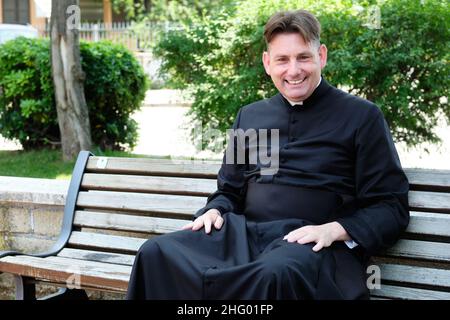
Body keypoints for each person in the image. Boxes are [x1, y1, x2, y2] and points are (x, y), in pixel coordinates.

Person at [126, 9, 409, 300]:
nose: (293, 70)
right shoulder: (250, 117)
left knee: (273, 274)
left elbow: (391, 206)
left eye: (303, 57)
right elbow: (229, 192)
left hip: (314, 248)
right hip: (245, 238)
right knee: (155, 252)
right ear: (267, 63)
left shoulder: (362, 117)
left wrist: (333, 230)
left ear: (321, 56)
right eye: (282, 60)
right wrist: (214, 210)